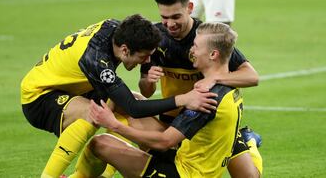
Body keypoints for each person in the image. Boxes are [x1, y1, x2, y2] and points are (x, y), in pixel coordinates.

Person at [20, 14, 216, 178]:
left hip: (75, 86)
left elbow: (131, 105)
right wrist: (183, 99)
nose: (146, 61)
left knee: (129, 102)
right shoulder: (97, 60)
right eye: (143, 56)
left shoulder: (117, 30)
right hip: (39, 95)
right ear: (125, 50)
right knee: (93, 114)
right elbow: (134, 109)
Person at [82, 22, 248, 178]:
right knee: (135, 103)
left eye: (196, 46)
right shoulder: (228, 86)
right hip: (187, 159)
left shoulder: (206, 97)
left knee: (100, 143)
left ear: (213, 54)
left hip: (182, 173)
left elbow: (165, 141)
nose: (191, 51)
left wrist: (114, 125)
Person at [138, 0, 262, 177]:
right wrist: (148, 80)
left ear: (190, 7)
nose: (170, 24)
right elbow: (146, 91)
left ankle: (249, 141)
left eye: (176, 16)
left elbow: (251, 76)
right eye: (164, 17)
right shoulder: (155, 37)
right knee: (144, 159)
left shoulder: (207, 37)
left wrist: (216, 79)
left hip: (209, 124)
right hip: (172, 121)